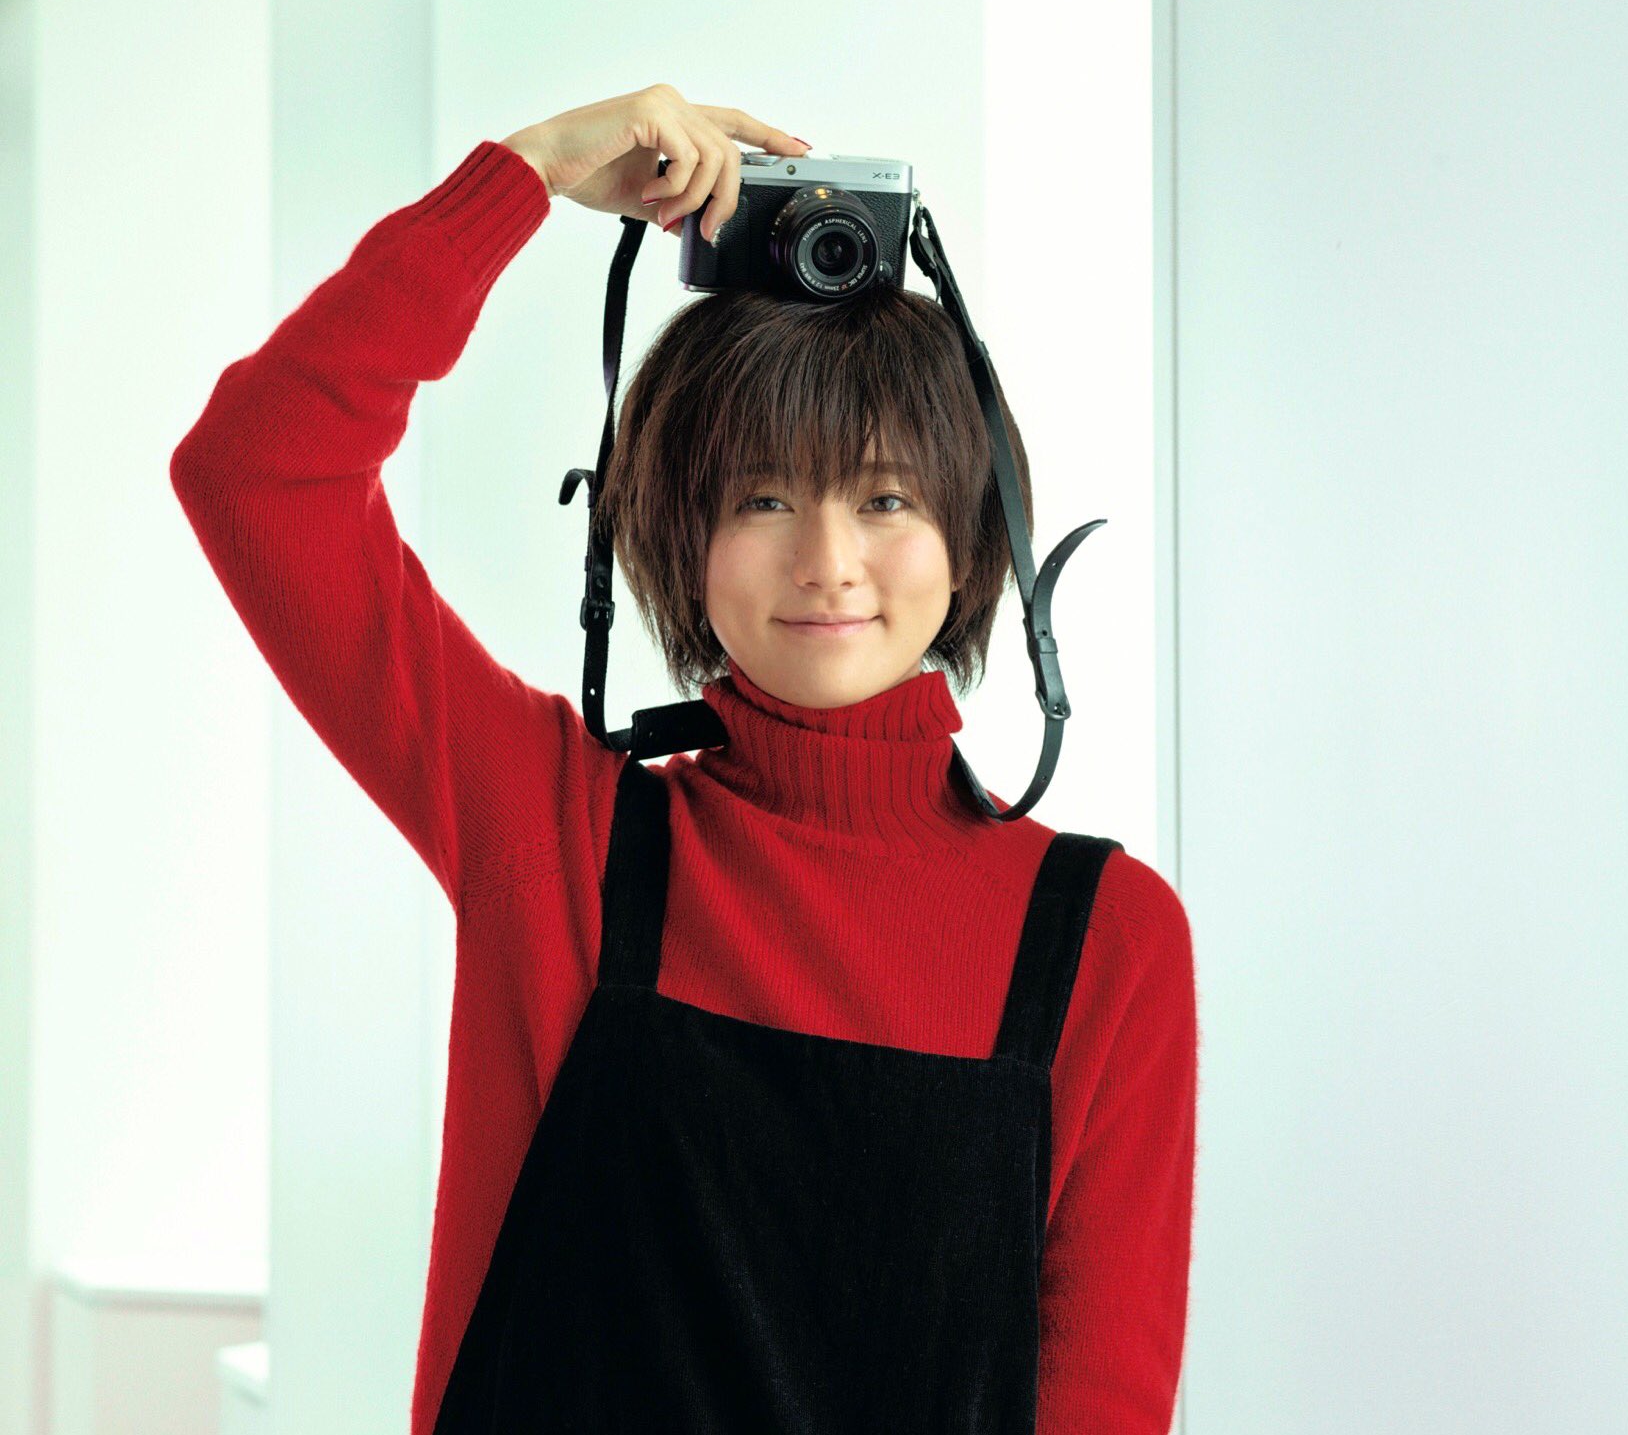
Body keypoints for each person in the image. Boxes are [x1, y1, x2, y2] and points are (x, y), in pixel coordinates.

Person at [170, 83, 1199, 1433]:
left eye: (885, 497)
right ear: (677, 537)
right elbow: (257, 472)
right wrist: (526, 175)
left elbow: (1102, 1400)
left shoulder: (1105, 938)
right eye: (762, 496)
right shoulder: (555, 835)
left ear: (969, 536)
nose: (827, 560)